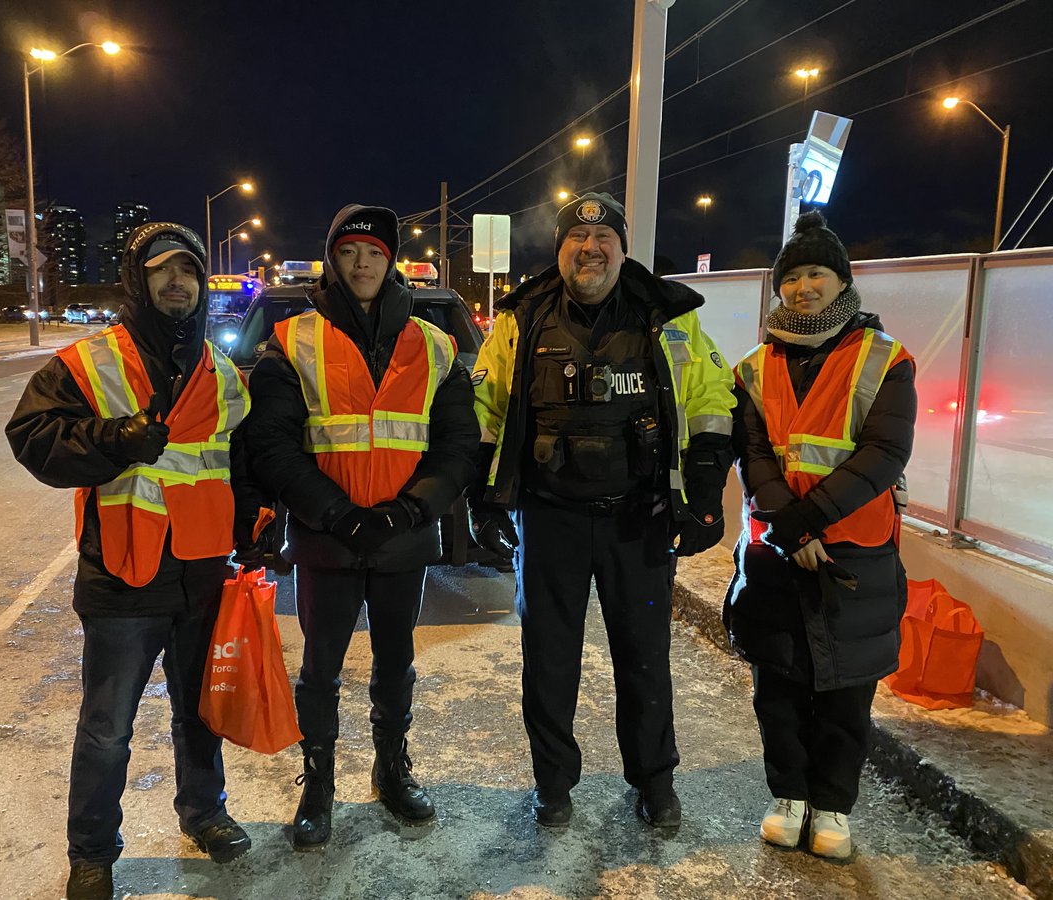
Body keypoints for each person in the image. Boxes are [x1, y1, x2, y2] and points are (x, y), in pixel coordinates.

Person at [469, 192, 737, 829]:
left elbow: (710, 400)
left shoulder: (668, 319)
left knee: (644, 658)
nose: (590, 249)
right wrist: (482, 498)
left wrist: (703, 495)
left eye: (604, 239)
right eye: (576, 239)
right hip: (549, 520)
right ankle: (553, 784)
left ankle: (654, 781)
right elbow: (484, 411)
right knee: (548, 660)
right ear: (559, 249)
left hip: (638, 520)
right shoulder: (520, 321)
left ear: (622, 248)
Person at [7, 223, 256, 900]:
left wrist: (256, 525)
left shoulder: (223, 372)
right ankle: (91, 853)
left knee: (199, 712)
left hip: (201, 570)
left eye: (189, 271)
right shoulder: (90, 362)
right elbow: (31, 436)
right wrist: (114, 438)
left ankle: (204, 814)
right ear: (137, 281)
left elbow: (238, 462)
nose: (177, 282)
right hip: (123, 570)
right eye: (161, 270)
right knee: (107, 727)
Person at [243, 204, 479, 850]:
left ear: (391, 260)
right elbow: (272, 445)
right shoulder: (294, 341)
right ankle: (318, 784)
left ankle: (391, 769)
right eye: (349, 252)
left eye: (375, 252)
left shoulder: (435, 345)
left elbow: (458, 445)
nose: (362, 263)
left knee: (396, 662)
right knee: (320, 668)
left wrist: (412, 509)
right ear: (332, 261)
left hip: (403, 537)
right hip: (327, 538)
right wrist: (335, 513)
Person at [725, 211, 916, 860]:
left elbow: (885, 453)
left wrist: (807, 522)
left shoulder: (885, 359)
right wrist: (788, 528)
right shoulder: (754, 367)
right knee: (777, 686)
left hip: (852, 552)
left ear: (841, 281)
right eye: (792, 277)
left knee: (846, 693)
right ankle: (789, 796)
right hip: (777, 551)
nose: (803, 287)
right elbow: (753, 456)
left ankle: (832, 805)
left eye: (816, 274)